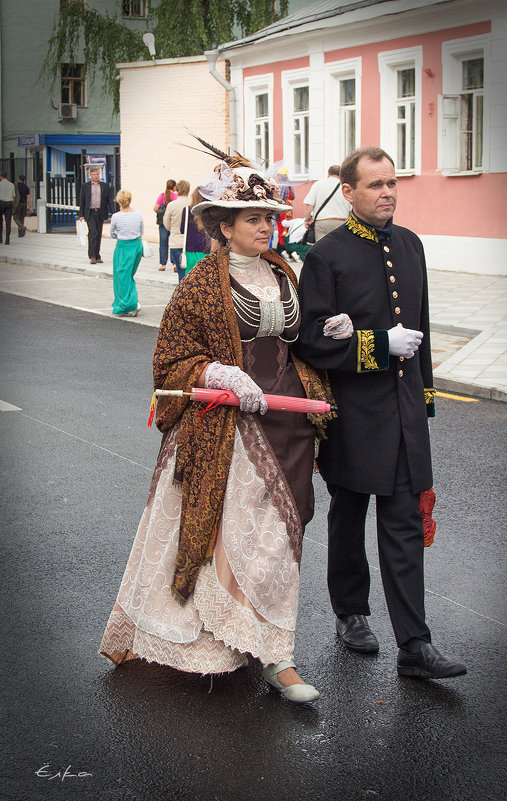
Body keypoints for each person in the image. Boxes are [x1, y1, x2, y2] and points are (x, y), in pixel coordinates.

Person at [100, 152, 334, 703]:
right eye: (250, 218)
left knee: (280, 537)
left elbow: (300, 341)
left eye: (268, 217)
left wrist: (329, 332)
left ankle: (276, 652)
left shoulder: (283, 271)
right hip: (227, 427)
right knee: (229, 533)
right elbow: (171, 360)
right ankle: (221, 644)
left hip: (289, 421)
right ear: (223, 226)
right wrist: (215, 369)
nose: (263, 226)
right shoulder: (202, 283)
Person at [295, 146, 467, 680]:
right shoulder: (327, 256)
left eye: (392, 183)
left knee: (403, 524)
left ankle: (415, 643)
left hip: (403, 413)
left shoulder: (411, 246)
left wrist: (426, 397)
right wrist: (376, 345)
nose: (388, 192)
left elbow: (424, 327)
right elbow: (309, 342)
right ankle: (351, 613)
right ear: (348, 192)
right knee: (349, 518)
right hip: (351, 415)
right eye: (375, 185)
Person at [109, 190, 143, 317]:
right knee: (129, 275)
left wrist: (118, 235)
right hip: (136, 246)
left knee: (121, 277)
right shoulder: (138, 214)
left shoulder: (116, 217)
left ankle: (130, 303)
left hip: (123, 247)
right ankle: (131, 302)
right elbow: (141, 230)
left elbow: (112, 233)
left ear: (119, 201)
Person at [303, 165, 350, 241]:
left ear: (328, 174)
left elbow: (309, 204)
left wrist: (307, 220)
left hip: (322, 222)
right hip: (341, 222)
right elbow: (352, 208)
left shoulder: (318, 185)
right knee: (339, 248)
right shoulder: (345, 187)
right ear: (340, 174)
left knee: (322, 249)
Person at [78, 167, 114, 264]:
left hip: (100, 212)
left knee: (98, 234)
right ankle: (92, 255)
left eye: (97, 174)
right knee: (93, 232)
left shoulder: (104, 186)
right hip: (90, 213)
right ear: (91, 176)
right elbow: (82, 201)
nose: (96, 176)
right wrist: (80, 214)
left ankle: (97, 255)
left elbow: (109, 200)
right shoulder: (85, 186)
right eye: (94, 174)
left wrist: (113, 212)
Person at [177, 186, 211, 281]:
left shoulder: (187, 210)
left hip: (190, 250)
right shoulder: (209, 211)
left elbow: (182, 230)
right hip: (206, 250)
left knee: (189, 279)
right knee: (204, 278)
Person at [162, 179, 190, 275]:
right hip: (189, 242)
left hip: (176, 242)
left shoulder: (172, 205)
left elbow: (166, 223)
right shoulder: (192, 204)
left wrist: (173, 229)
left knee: (181, 273)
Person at [153, 178, 177, 272]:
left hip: (163, 223)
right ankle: (175, 263)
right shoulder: (176, 196)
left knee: (163, 243)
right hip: (173, 222)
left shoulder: (162, 196)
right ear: (174, 187)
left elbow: (155, 208)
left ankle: (163, 264)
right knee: (173, 243)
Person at [0, 172, 16, 245]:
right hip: (9, 203)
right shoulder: (11, 184)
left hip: (1, 202)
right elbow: (13, 196)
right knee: (8, 221)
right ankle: (7, 240)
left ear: (1, 177)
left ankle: (0, 239)